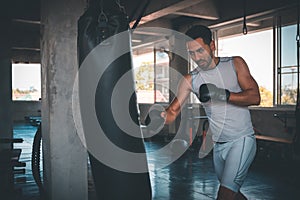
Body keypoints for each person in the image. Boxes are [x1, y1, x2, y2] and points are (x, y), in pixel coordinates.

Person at [145, 25, 260, 200]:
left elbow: (255, 97)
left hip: (241, 140)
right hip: (218, 146)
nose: (197, 57)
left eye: (200, 50)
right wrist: (159, 117)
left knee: (224, 195)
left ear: (212, 46)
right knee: (232, 194)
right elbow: (172, 112)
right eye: (192, 53)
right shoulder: (191, 79)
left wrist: (222, 94)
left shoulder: (234, 64)